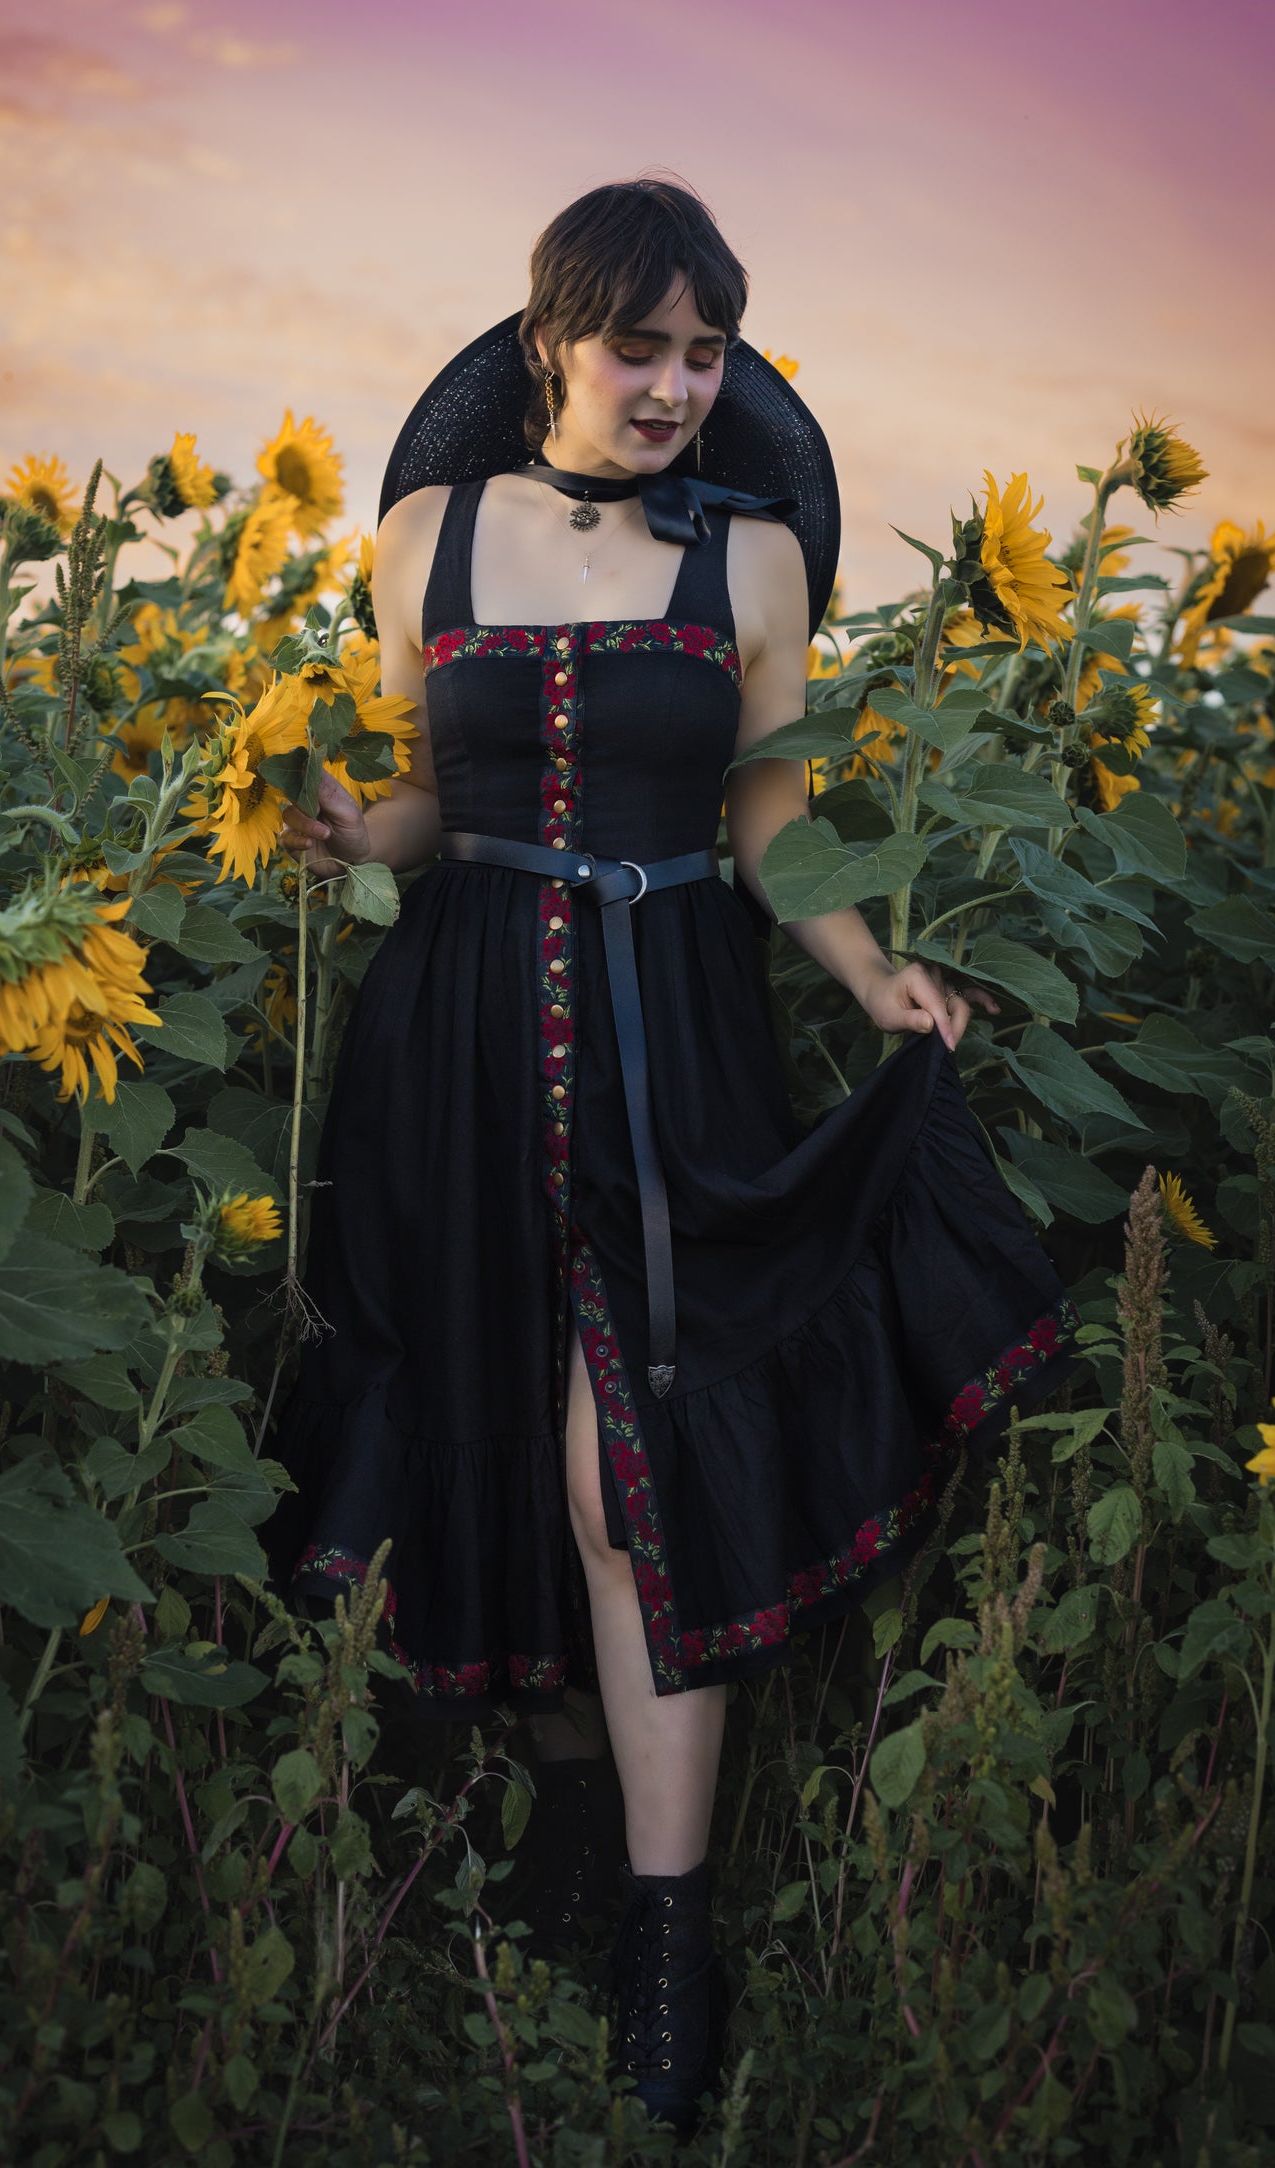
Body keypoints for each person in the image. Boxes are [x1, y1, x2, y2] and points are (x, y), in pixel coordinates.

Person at [265, 176, 1080, 2136]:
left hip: (670, 1025)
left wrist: (875, 972)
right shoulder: (422, 535)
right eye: (643, 347)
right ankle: (528, 1828)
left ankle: (664, 1934)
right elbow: (423, 798)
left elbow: (776, 824)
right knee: (482, 1425)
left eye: (710, 355)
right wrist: (333, 829)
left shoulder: (756, 565)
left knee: (631, 1467)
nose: (678, 388)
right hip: (450, 1037)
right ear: (553, 334)